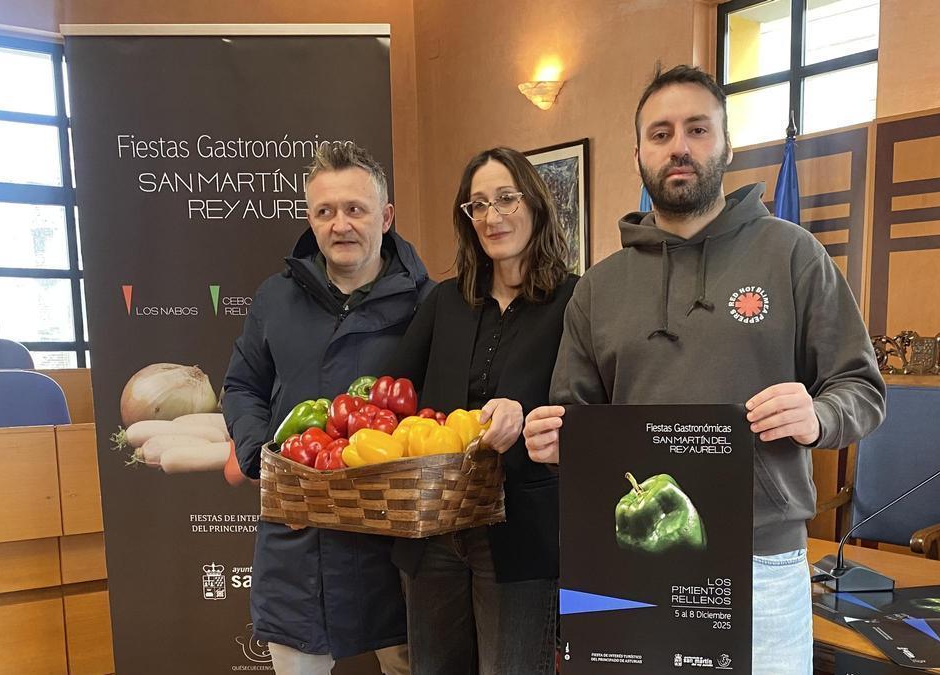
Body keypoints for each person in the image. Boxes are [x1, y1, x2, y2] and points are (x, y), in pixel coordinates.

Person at [522, 65, 886, 675]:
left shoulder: (794, 255)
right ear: (638, 152)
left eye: (697, 129)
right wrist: (554, 440)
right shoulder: (599, 287)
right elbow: (577, 420)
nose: (679, 147)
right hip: (626, 561)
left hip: (759, 564)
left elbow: (863, 389)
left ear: (726, 143)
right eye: (660, 134)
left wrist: (818, 414)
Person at [223, 141, 432, 675]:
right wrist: (259, 457)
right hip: (298, 537)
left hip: (396, 538)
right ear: (310, 220)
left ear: (385, 217)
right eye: (325, 211)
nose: (341, 224)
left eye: (355, 209)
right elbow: (242, 385)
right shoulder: (274, 297)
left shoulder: (428, 302)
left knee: (411, 663)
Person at [386, 146, 578, 674]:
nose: (492, 217)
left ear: (536, 205)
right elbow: (391, 396)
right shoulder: (444, 301)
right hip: (435, 533)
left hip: (520, 535)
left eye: (506, 199)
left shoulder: (574, 300)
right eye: (478, 205)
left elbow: (588, 405)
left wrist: (530, 414)